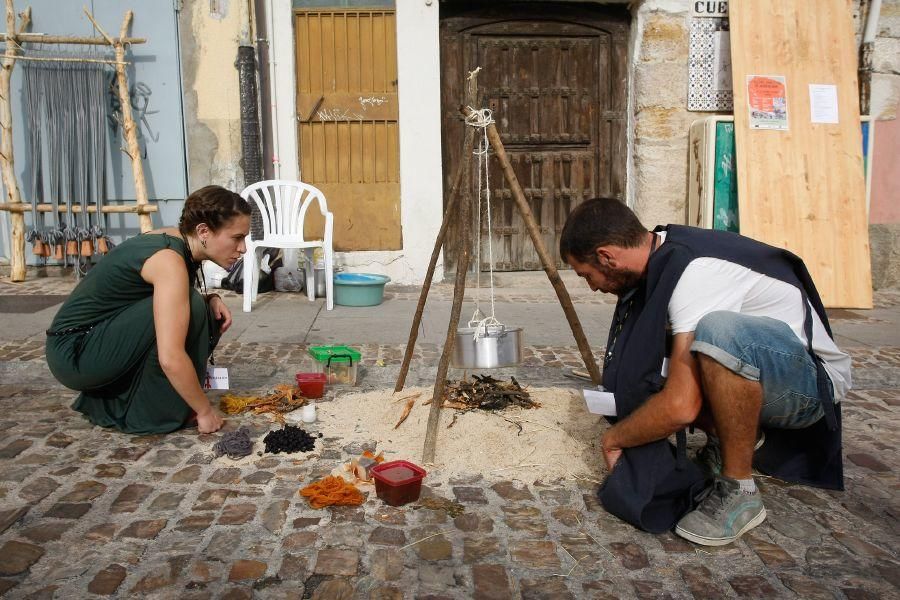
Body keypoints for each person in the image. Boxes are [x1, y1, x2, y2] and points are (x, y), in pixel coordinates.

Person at [560, 197, 850, 546]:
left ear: (607, 256)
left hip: (809, 387)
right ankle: (734, 438)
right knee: (680, 342)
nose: (592, 286)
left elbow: (682, 405)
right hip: (773, 371)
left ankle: (739, 491)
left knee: (719, 332)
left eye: (587, 275)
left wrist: (616, 438)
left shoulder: (694, 272)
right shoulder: (663, 255)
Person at [46, 185, 252, 435]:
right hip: (75, 352)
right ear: (203, 231)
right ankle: (152, 413)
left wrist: (210, 297)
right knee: (193, 306)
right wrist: (205, 411)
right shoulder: (168, 260)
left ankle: (150, 399)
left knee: (199, 306)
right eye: (237, 238)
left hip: (96, 338)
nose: (243, 249)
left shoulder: (176, 239)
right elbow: (170, 357)